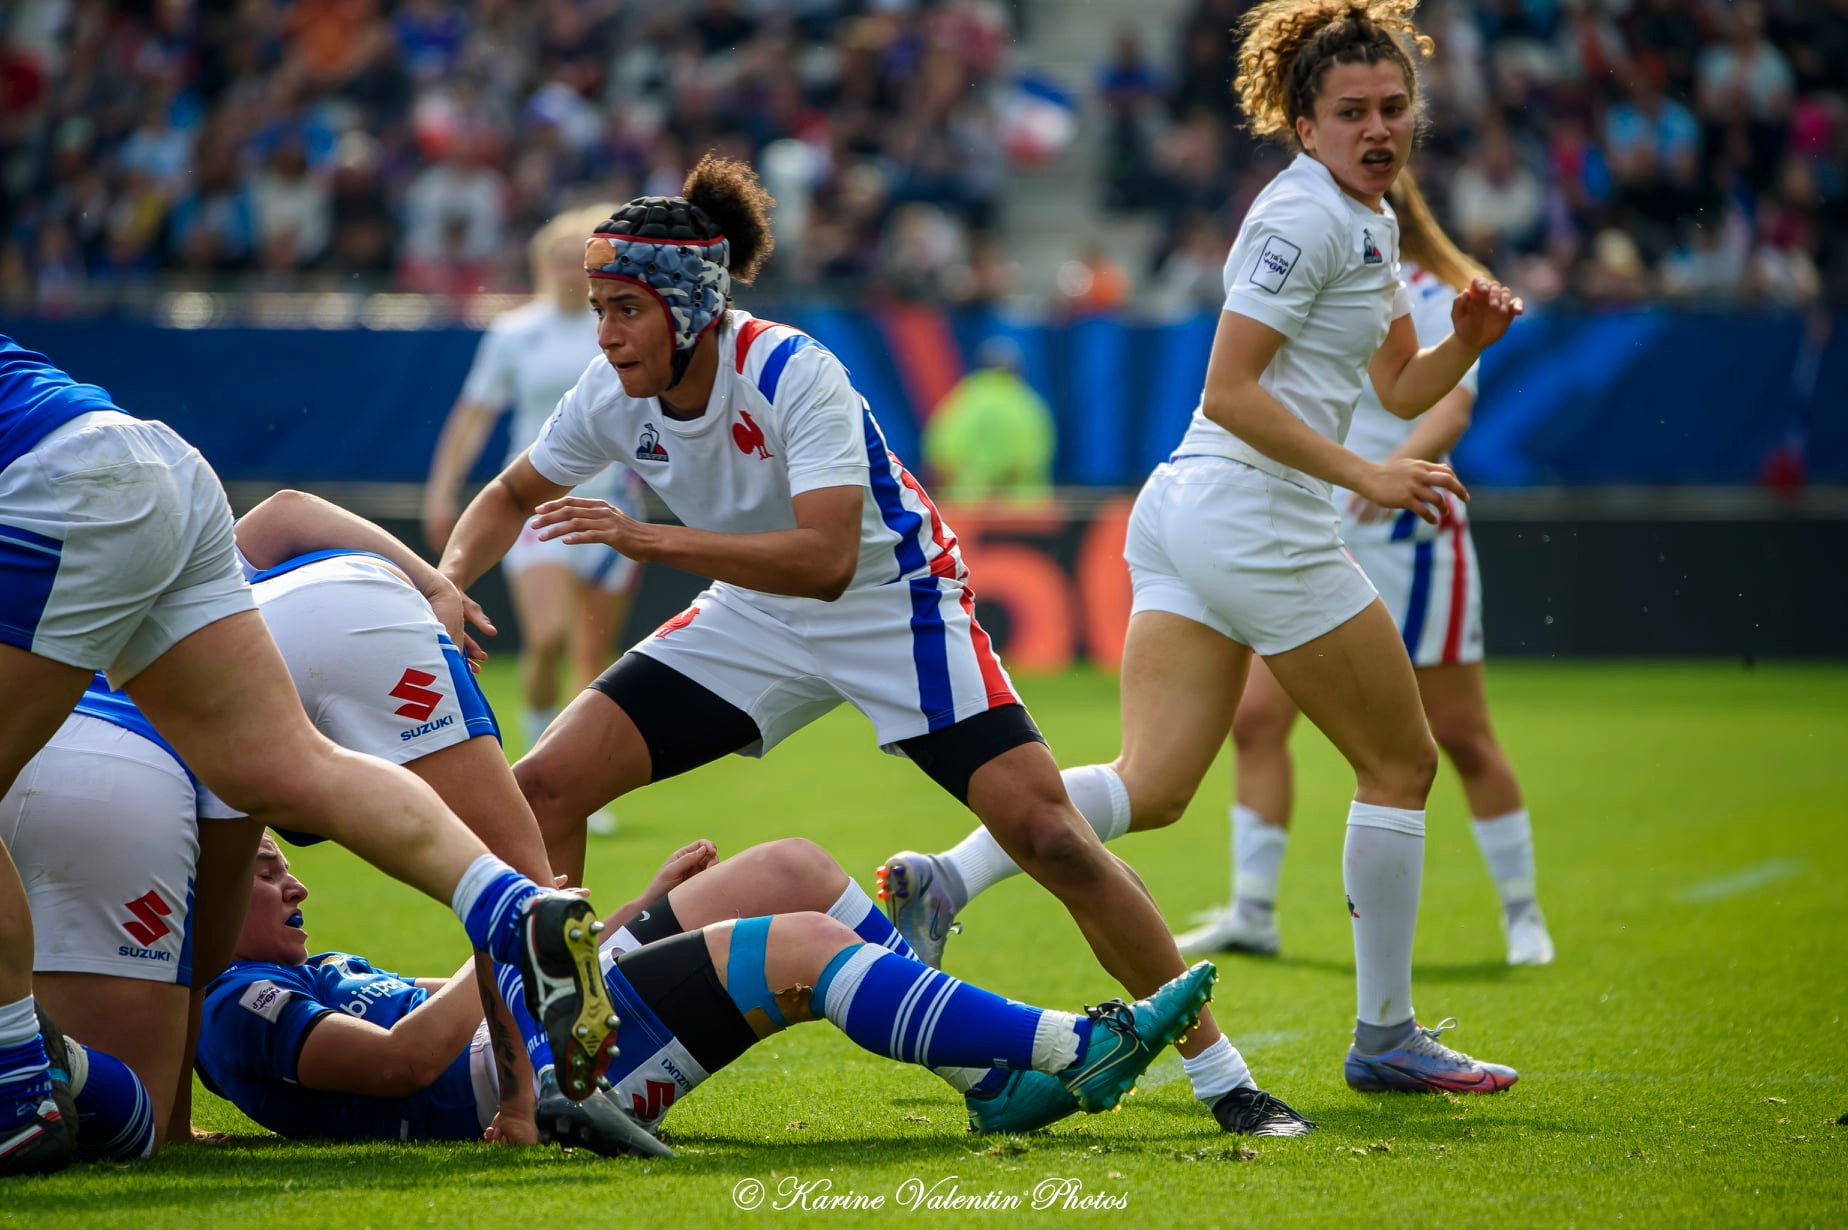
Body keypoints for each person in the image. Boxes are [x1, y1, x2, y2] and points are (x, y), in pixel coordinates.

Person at [437, 153, 1311, 1137]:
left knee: (1052, 835)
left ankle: (1227, 1082)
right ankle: (562, 1057)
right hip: (752, 614)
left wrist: (649, 539)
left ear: (688, 308)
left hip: (891, 604)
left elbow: (824, 558)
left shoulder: (790, 369)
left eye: (626, 309)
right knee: (544, 789)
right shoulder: (610, 392)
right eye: (597, 307)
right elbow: (512, 493)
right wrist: (448, 577)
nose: (605, 334)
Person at [881, 0, 1527, 1096]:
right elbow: (1229, 391)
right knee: (1402, 763)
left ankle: (948, 879)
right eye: (1352, 112)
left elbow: (1395, 385)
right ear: (1304, 123)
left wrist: (1463, 342)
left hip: (1192, 512)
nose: (1379, 128)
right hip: (1255, 514)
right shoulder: (1306, 217)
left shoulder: (1365, 219)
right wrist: (1369, 472)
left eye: (1394, 107)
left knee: (1157, 781)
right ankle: (1385, 1038)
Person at [0, 336, 616, 1175]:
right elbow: (285, 509)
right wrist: (434, 583)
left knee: (136, 1089)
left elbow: (381, 1053)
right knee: (290, 765)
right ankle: (516, 914)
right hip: (189, 483)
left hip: (61, 506)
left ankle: (32, 1074)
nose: (295, 887)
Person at [194, 833, 1216, 1152]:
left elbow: (487, 989)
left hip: (545, 1030)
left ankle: (983, 1075)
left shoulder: (303, 972)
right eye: (270, 871)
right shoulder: (237, 1006)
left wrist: (620, 919)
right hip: (562, 1078)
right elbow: (409, 1060)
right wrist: (505, 926)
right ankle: (1063, 1047)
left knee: (790, 869)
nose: (297, 883)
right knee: (802, 946)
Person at [1179, 176, 1555, 967]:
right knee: (1256, 722)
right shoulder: (1321, 266)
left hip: (1409, 530)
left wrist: (1383, 475)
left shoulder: (1429, 288)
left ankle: (1524, 915)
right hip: (1325, 522)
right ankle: (1252, 908)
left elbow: (1445, 405)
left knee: (1458, 735)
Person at [423, 206, 648, 796]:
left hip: (613, 504)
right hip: (539, 504)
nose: (570, 272)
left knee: (594, 655)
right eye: (559, 258)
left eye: (581, 260)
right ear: (541, 263)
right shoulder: (516, 332)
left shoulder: (625, 327)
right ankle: (537, 749)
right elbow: (473, 415)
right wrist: (444, 487)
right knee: (547, 636)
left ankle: (577, 782)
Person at [921, 336, 1057, 506]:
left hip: (970, 506)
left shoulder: (964, 399)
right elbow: (1034, 455)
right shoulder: (1028, 404)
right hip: (1022, 510)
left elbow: (941, 453)